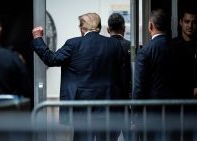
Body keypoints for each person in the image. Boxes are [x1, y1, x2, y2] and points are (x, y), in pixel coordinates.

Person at [31, 12, 127, 141]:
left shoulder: (73, 44)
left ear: (82, 28)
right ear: (98, 27)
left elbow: (51, 59)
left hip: (82, 108)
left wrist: (38, 39)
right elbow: (123, 77)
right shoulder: (114, 45)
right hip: (108, 107)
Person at [132, 9, 194, 141]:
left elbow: (139, 89)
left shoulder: (145, 52)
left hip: (152, 117)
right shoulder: (182, 49)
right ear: (170, 26)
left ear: (150, 26)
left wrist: (136, 119)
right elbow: (188, 82)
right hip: (178, 115)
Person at [172, 8, 197, 99]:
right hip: (178, 102)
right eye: (187, 21)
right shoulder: (172, 45)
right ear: (181, 22)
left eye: (194, 22)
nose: (190, 25)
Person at [107, 12, 132, 141]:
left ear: (108, 29)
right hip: (128, 101)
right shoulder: (131, 47)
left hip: (109, 101)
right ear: (124, 28)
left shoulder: (103, 46)